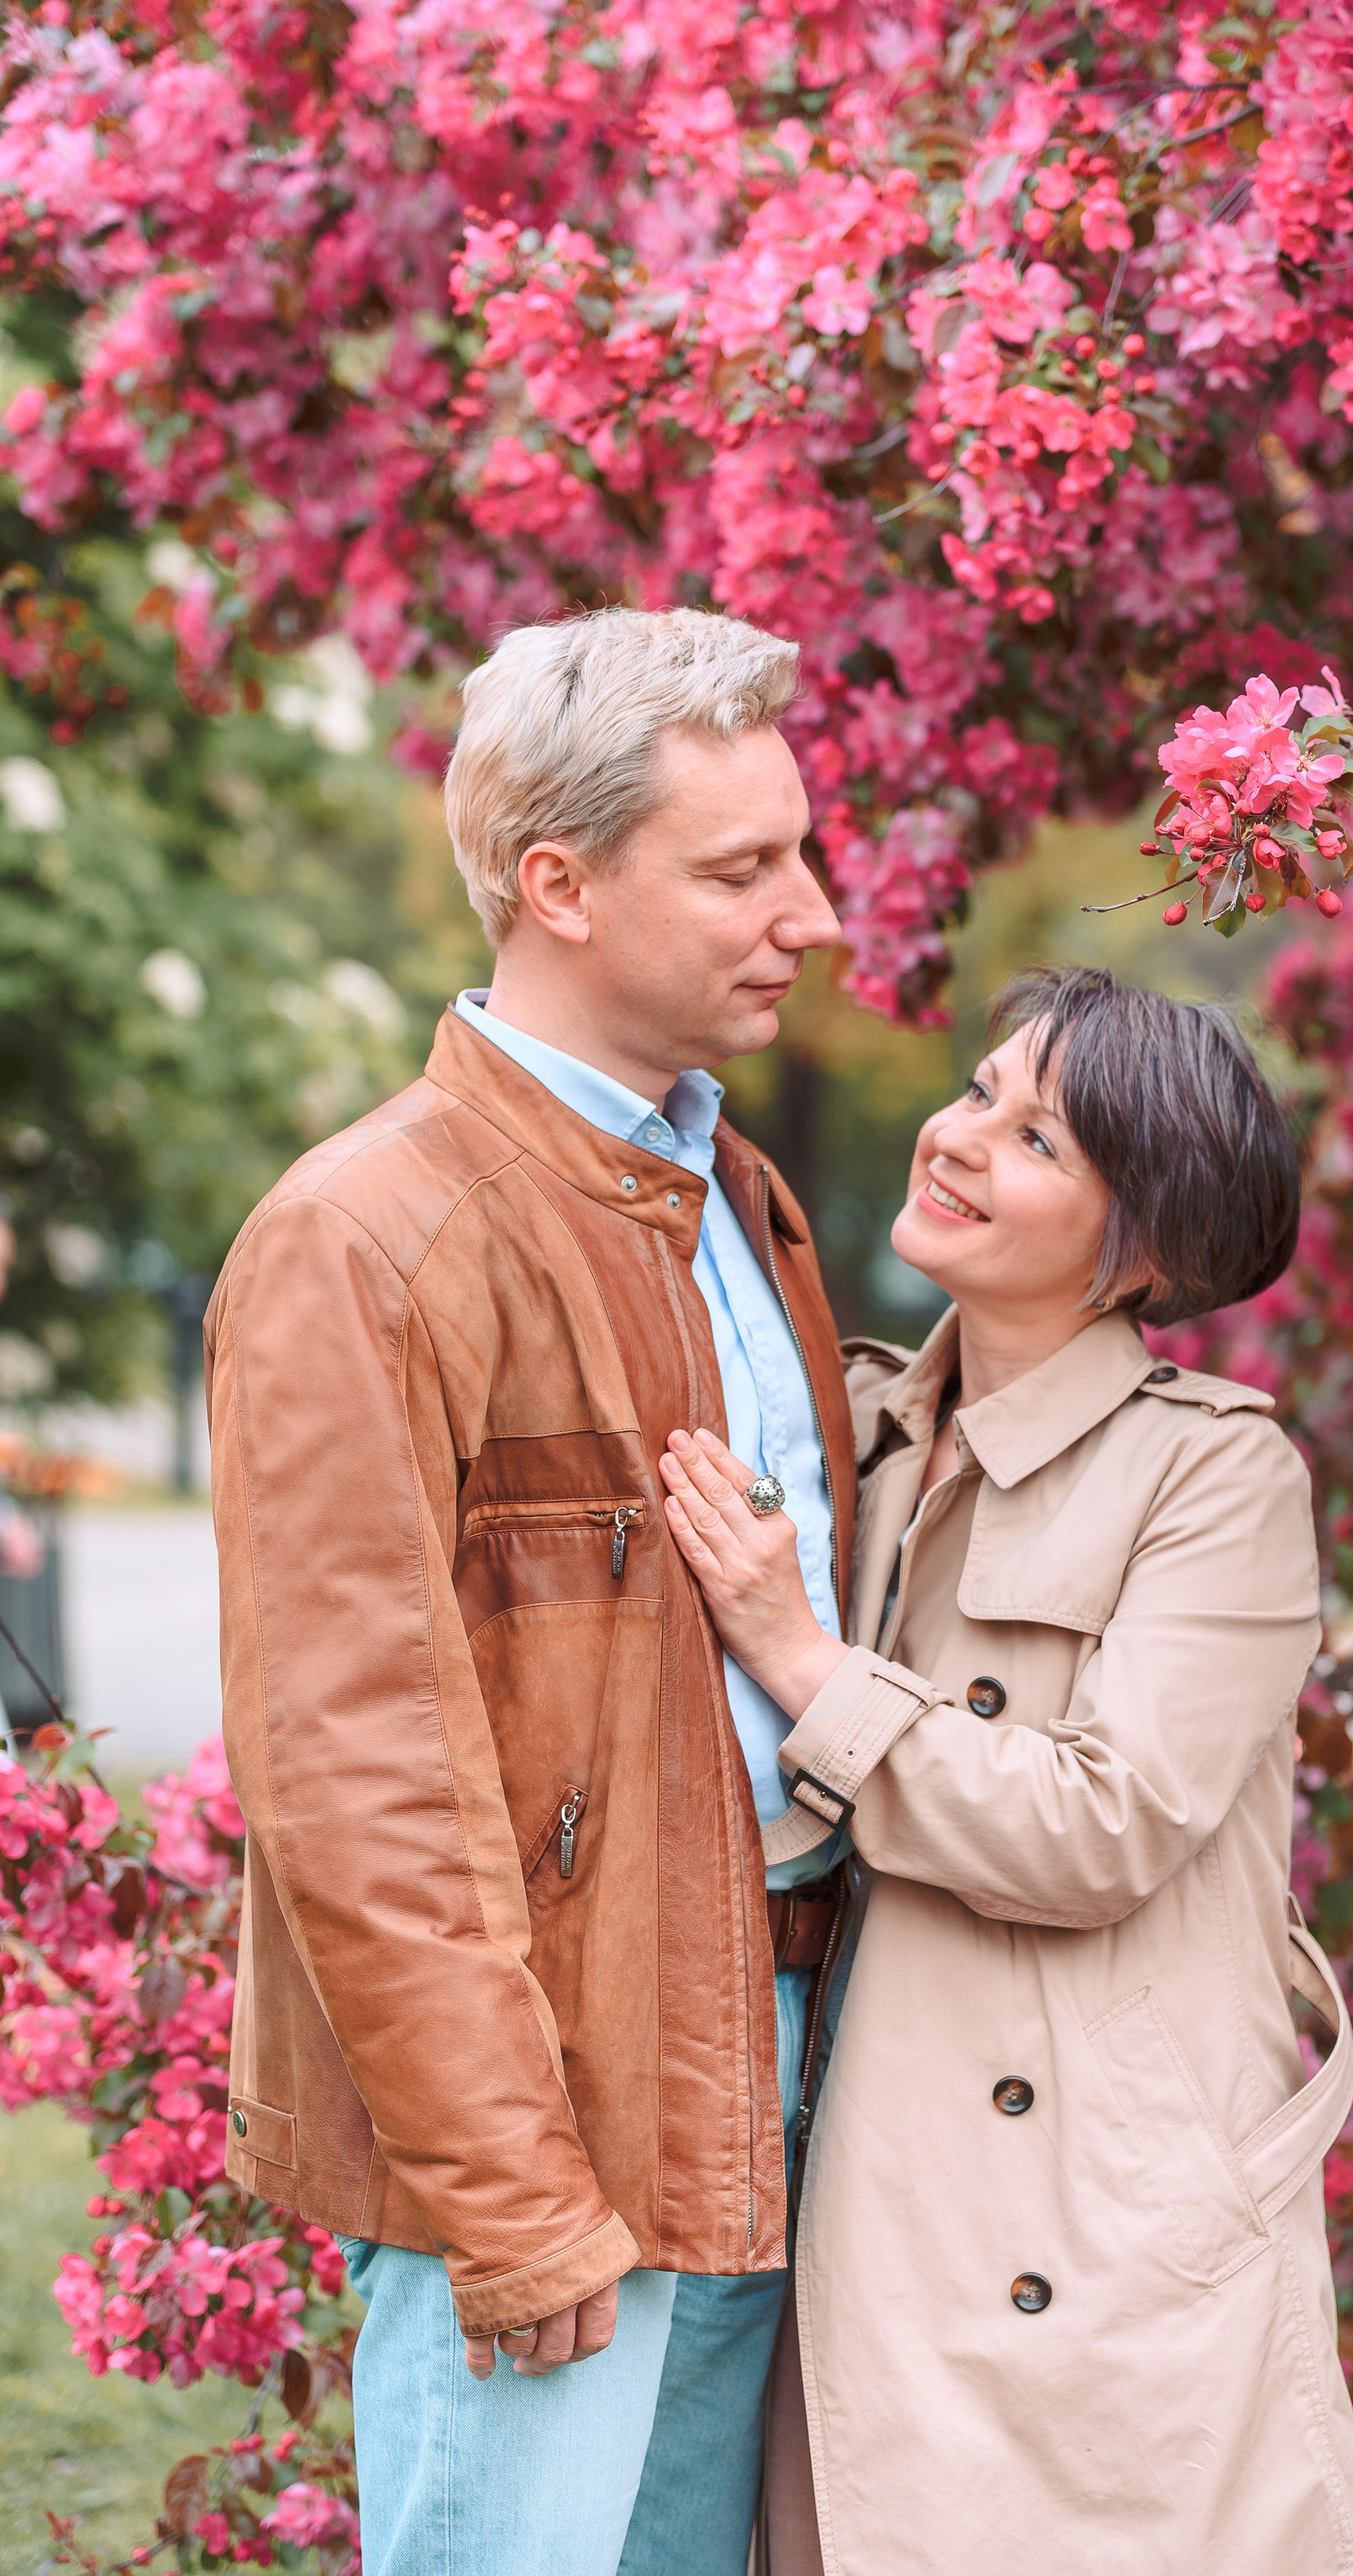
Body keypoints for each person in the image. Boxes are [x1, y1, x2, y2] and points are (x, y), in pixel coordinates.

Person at [204, 607, 858, 2576]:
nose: (810, 914)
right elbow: (358, 1768)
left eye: (801, 852)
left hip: (780, 2044)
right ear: (556, 884)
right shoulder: (368, 1236)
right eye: (743, 867)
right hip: (553, 2110)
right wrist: (511, 2191)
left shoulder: (735, 1194)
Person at [657, 965, 1353, 2576]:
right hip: (866, 2195)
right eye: (980, 1090)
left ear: (1140, 1249)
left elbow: (1098, 1823)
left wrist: (803, 1660)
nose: (961, 1138)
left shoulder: (1214, 1476)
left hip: (1083, 2225)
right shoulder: (861, 1432)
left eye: (1038, 1137)